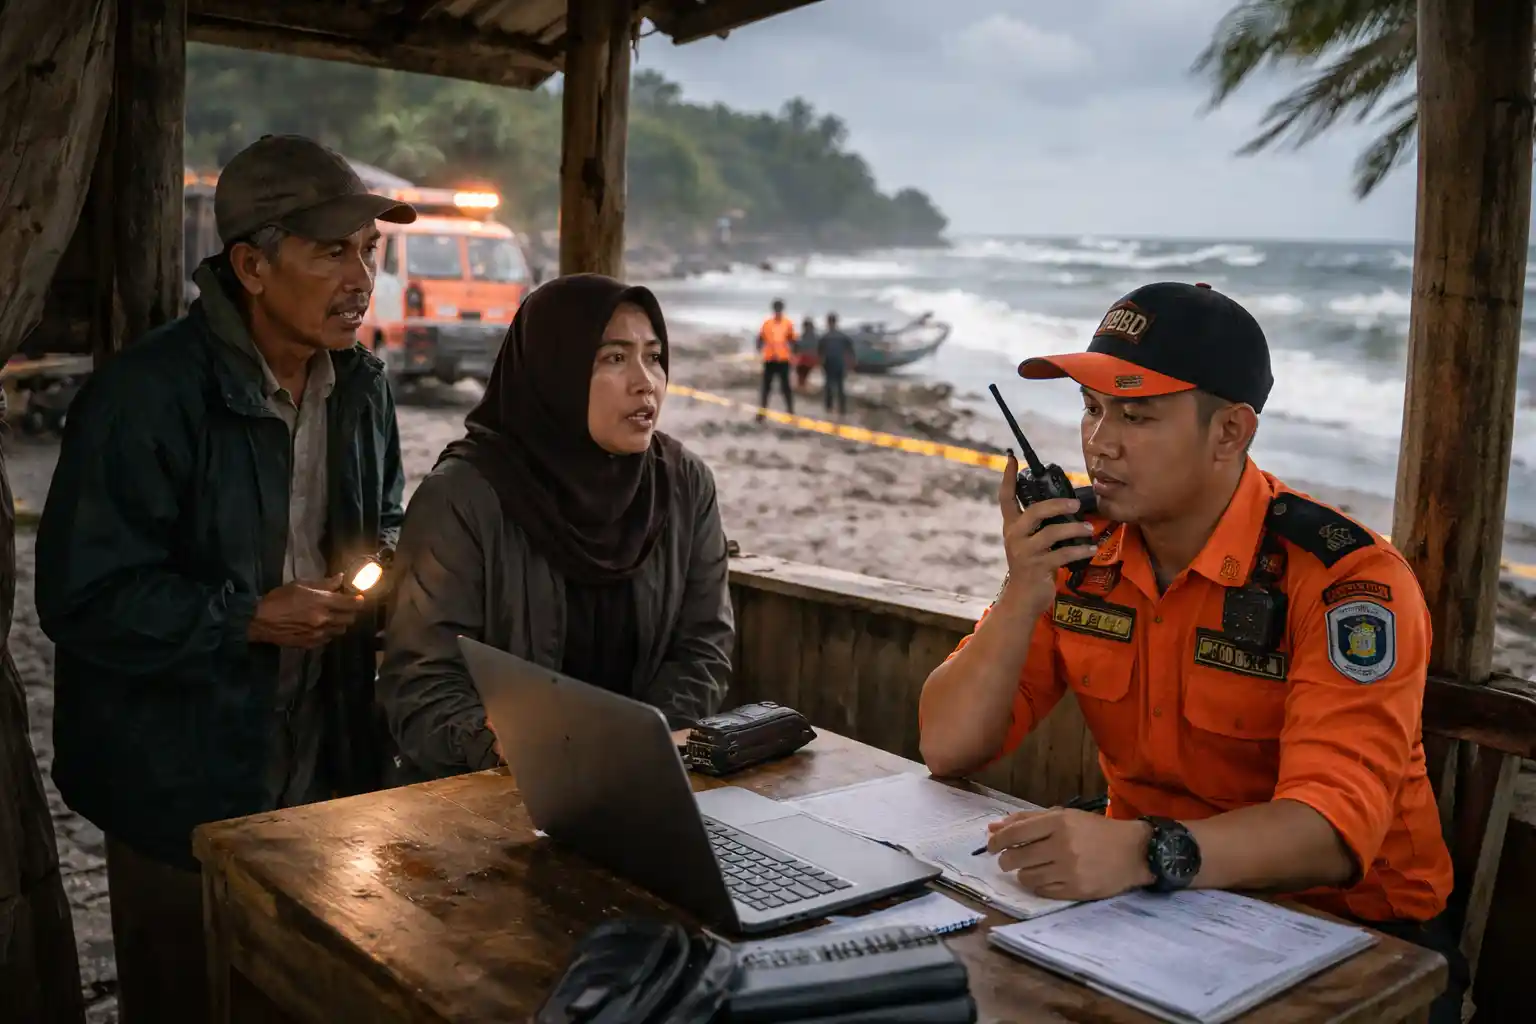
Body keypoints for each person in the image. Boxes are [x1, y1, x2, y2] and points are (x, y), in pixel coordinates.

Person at [917, 282, 1464, 1022]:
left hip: (1357, 943)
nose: (1100, 443)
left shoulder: (1345, 580)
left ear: (1230, 434)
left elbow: (1333, 829)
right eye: (1092, 409)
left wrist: (1142, 853)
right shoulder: (1085, 558)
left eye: (1137, 415)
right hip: (1146, 915)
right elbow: (948, 747)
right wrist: (1022, 593)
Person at [35, 134, 410, 1024]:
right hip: (180, 787)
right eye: (332, 252)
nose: (361, 279)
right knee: (185, 994)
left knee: (302, 998)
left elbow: (385, 517)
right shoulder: (148, 396)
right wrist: (245, 619)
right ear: (250, 264)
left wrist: (383, 570)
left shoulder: (361, 384)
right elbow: (81, 597)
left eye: (370, 251)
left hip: (325, 763)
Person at [378, 273, 734, 782]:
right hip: (486, 793)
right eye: (613, 358)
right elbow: (421, 679)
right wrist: (492, 740)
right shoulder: (464, 497)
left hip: (641, 782)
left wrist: (640, 746)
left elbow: (703, 647)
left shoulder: (684, 485)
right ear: (554, 371)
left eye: (653, 356)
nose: (645, 381)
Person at [756, 298, 797, 416]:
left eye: (779, 309)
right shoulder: (767, 323)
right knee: (766, 388)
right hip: (769, 360)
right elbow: (760, 338)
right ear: (774, 309)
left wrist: (795, 354)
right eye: (776, 309)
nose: (778, 311)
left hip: (783, 360)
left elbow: (792, 339)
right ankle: (762, 412)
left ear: (782, 309)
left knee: (786, 387)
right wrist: (759, 348)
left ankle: (790, 410)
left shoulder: (787, 323)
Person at [817, 312, 857, 416]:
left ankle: (829, 408)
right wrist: (851, 363)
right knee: (840, 387)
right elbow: (851, 351)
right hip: (840, 363)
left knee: (828, 386)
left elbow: (820, 353)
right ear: (836, 322)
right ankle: (842, 409)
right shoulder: (843, 336)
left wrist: (820, 365)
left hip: (829, 363)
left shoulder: (824, 337)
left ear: (828, 322)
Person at [793, 315, 820, 391]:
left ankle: (802, 385)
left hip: (806, 360)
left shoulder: (803, 337)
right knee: (802, 373)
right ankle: (802, 385)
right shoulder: (815, 337)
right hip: (808, 359)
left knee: (801, 373)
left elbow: (796, 348)